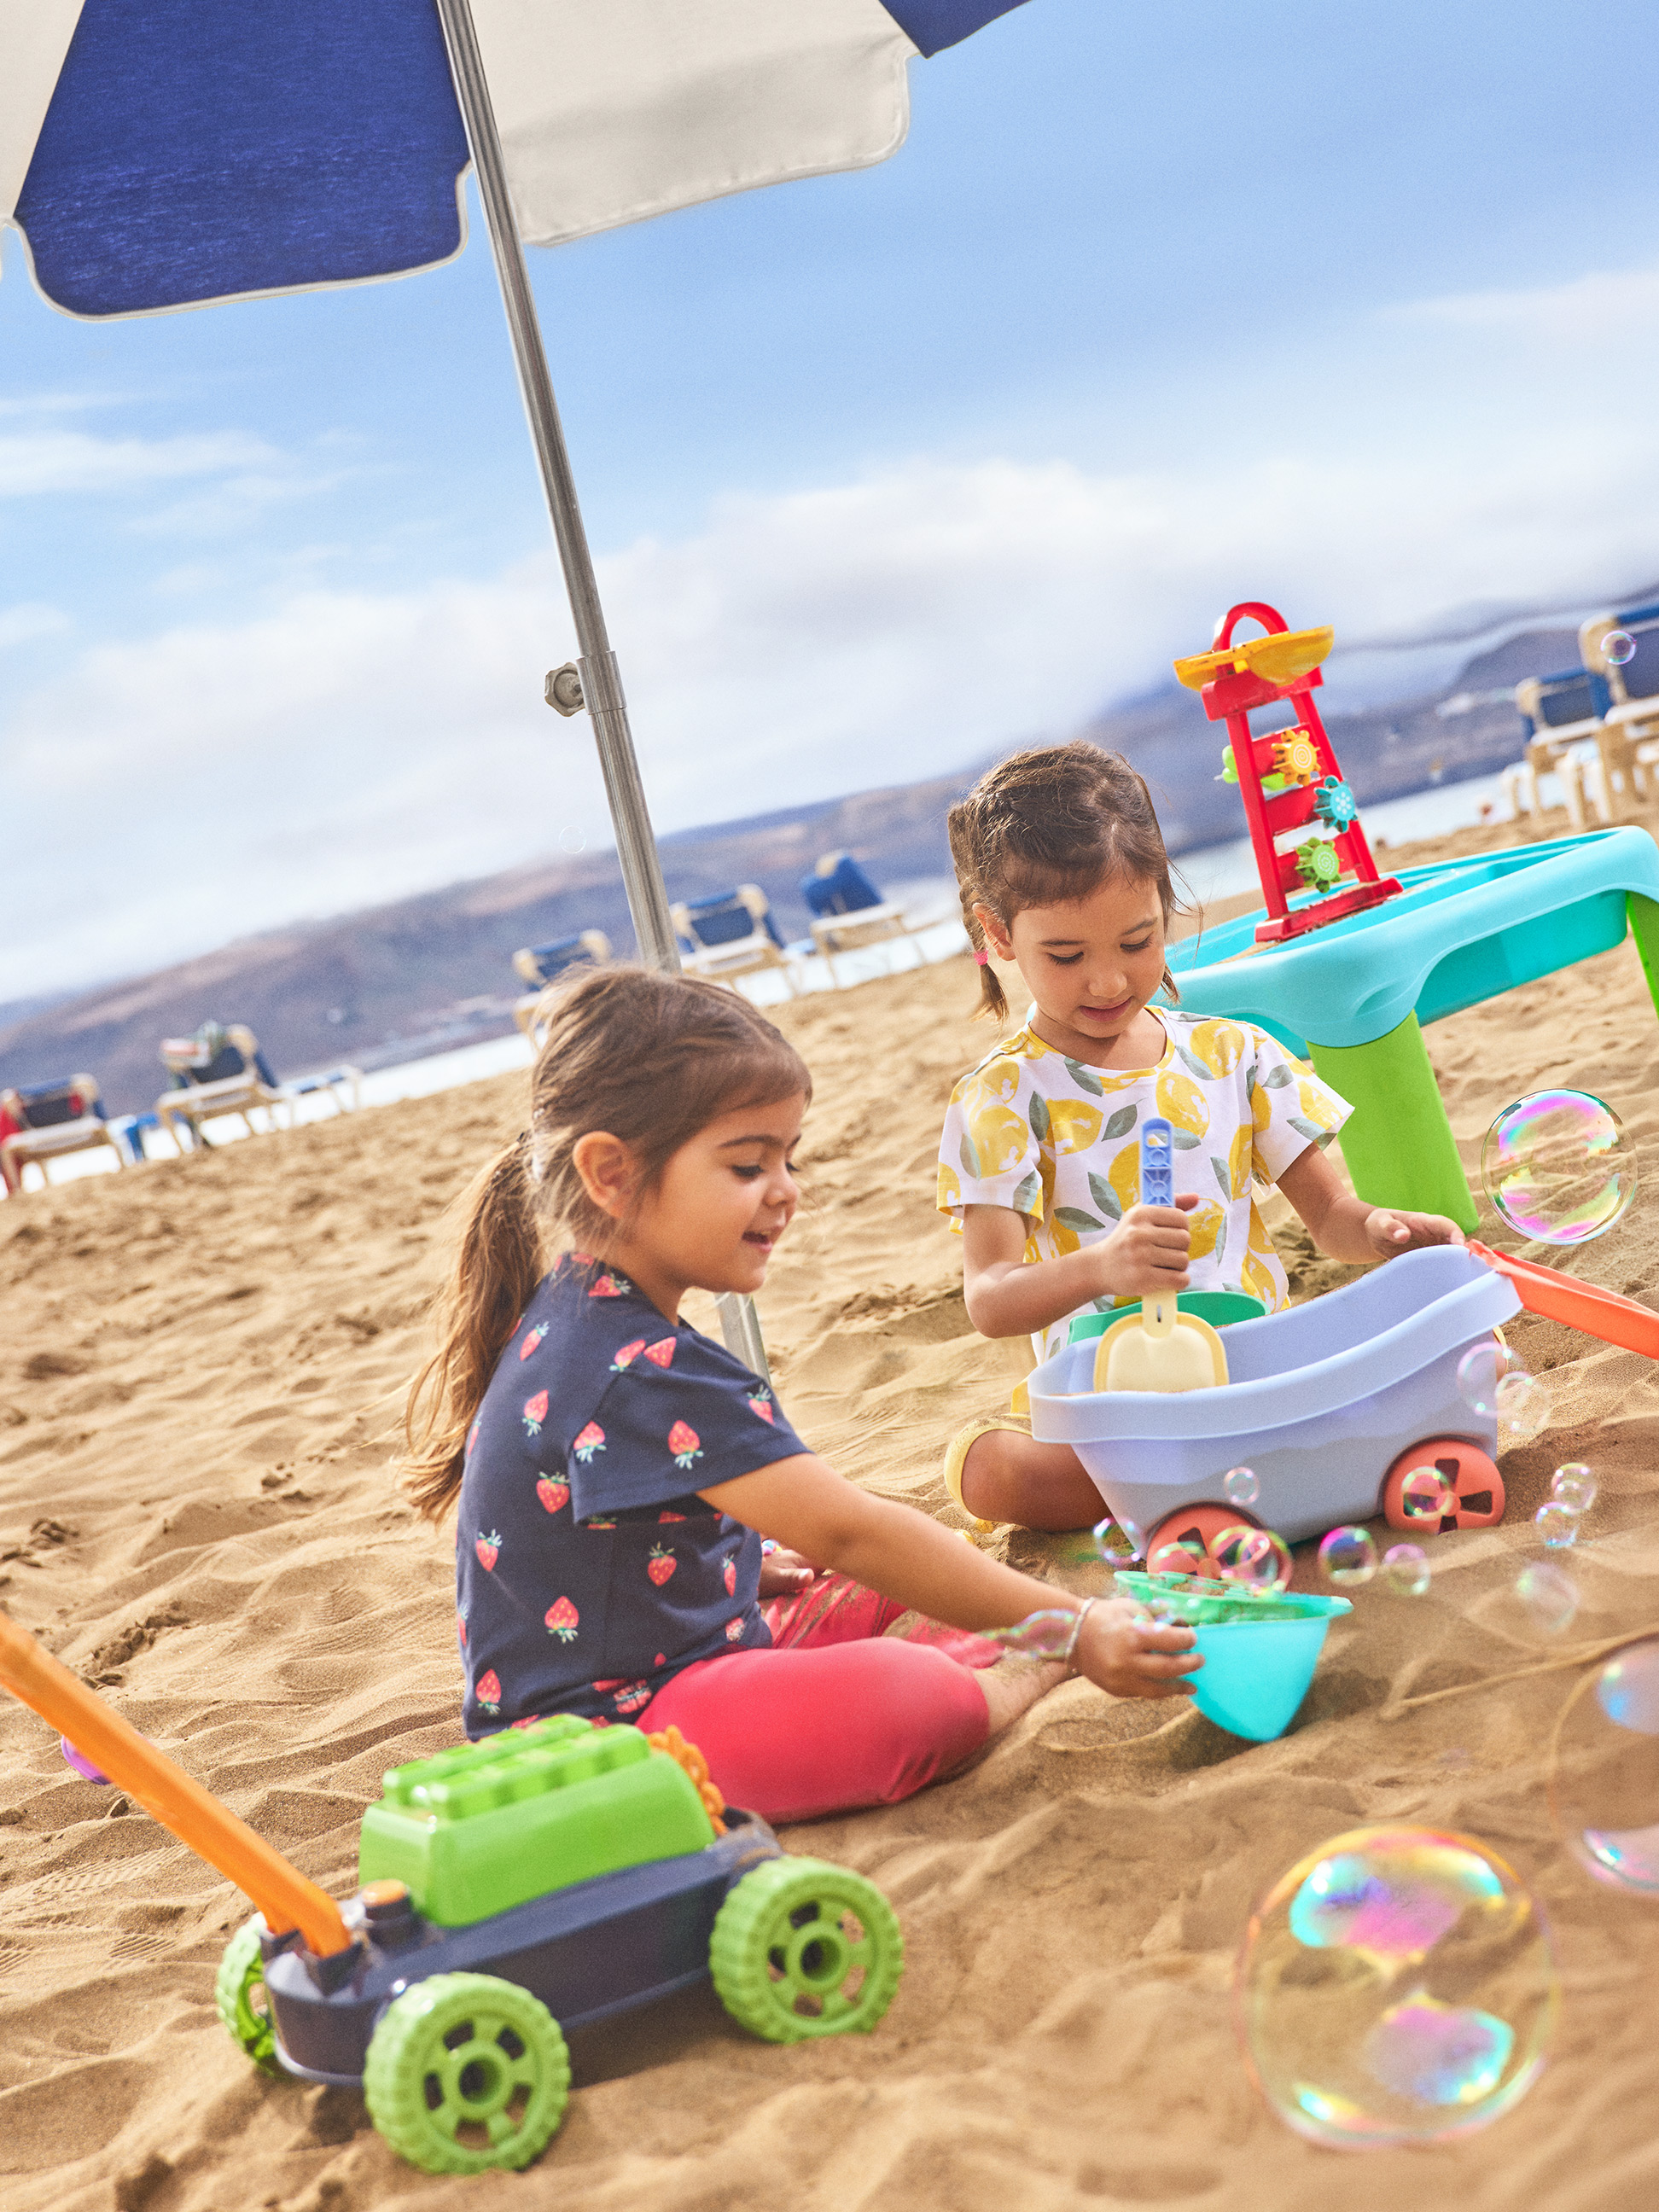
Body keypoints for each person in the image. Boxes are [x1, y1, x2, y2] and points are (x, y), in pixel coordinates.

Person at [402, 964, 1200, 1827]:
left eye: (788, 1157)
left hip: (677, 1652)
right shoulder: (642, 1365)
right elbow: (846, 1528)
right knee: (910, 1695)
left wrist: (733, 1564)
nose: (786, 1190)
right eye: (748, 1164)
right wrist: (1071, 1632)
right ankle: (1025, 1663)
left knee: (902, 1576)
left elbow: (624, 1520)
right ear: (611, 1174)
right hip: (615, 1746)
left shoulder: (579, 1311)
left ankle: (1006, 1637)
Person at [939, 742, 1464, 1534]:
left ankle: (1213, 1491)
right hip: (1118, 1413)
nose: (1108, 980)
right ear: (999, 935)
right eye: (1067, 954)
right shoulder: (1002, 1097)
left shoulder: (1235, 1054)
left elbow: (1333, 1223)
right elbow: (991, 1300)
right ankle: (1239, 1485)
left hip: (1255, 1380)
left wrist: (1383, 1232)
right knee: (992, 1473)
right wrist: (1101, 1266)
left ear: (1166, 906)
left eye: (1138, 941)